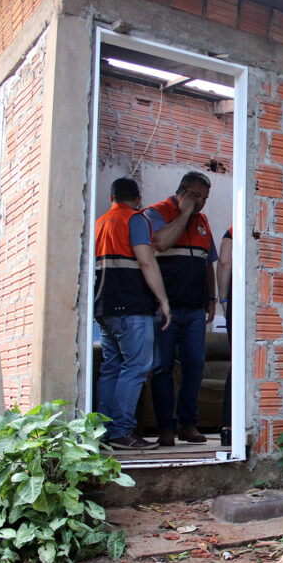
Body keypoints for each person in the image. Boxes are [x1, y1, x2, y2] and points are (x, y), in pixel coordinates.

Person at [94, 177, 171, 450]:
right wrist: (163, 300)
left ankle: (102, 433)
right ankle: (122, 432)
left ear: (112, 197)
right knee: (136, 367)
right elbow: (147, 261)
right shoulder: (135, 219)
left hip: (104, 306)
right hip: (131, 306)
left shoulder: (100, 222)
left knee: (111, 368)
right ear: (138, 198)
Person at [144, 171, 218, 446]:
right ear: (182, 191)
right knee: (162, 368)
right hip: (164, 309)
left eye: (205, 198)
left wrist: (211, 300)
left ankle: (189, 424)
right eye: (196, 196)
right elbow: (160, 243)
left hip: (195, 310)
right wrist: (184, 214)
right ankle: (166, 428)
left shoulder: (203, 222)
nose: (201, 202)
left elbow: (207, 262)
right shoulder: (155, 213)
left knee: (195, 367)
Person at [217, 226, 233, 443]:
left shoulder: (232, 229)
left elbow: (224, 261)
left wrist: (223, 298)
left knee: (237, 363)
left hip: (238, 296)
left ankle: (228, 427)